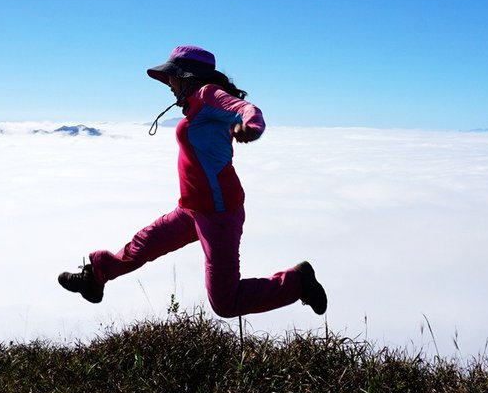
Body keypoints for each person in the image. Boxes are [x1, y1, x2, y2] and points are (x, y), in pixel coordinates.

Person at [58, 45, 327, 318]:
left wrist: (251, 128)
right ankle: (95, 277)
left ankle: (298, 282)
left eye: (172, 77)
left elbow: (247, 109)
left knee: (225, 302)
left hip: (219, 214)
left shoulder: (207, 94)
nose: (169, 84)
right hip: (191, 209)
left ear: (187, 76)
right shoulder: (194, 106)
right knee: (142, 245)